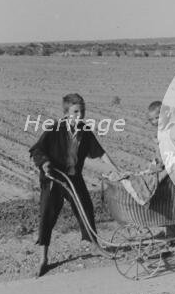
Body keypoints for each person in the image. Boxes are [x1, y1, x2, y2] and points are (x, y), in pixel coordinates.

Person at [29, 93, 119, 278]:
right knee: (47, 214)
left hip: (73, 177)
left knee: (86, 208)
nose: (80, 115)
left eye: (82, 111)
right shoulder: (55, 129)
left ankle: (95, 246)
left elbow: (100, 153)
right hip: (54, 178)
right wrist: (45, 163)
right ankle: (43, 258)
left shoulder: (84, 131)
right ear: (66, 112)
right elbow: (37, 149)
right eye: (75, 111)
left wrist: (115, 169)